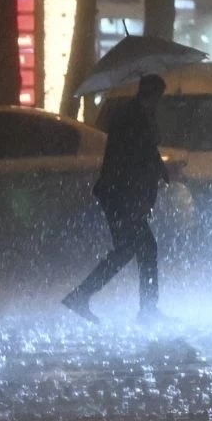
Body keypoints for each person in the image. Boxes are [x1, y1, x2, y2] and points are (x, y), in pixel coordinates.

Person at [63, 75, 169, 323]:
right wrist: (142, 195)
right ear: (153, 95)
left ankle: (85, 296)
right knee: (139, 248)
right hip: (121, 195)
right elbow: (135, 160)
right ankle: (145, 309)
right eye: (158, 97)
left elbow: (146, 156)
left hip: (121, 194)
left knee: (133, 249)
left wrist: (163, 173)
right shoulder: (132, 118)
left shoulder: (137, 116)